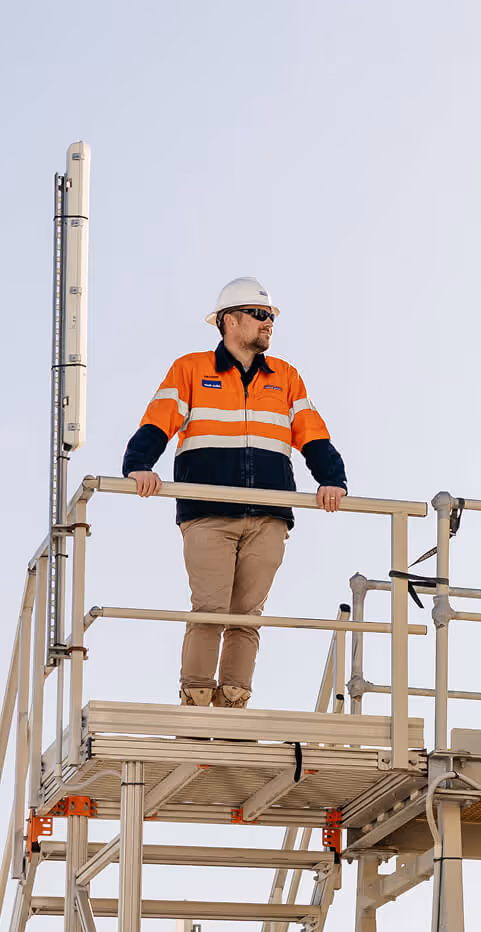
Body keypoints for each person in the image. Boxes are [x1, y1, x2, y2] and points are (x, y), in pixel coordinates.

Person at [121, 277, 349, 709]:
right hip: (208, 513)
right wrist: (138, 466)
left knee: (247, 619)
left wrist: (332, 478)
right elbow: (158, 421)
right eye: (261, 315)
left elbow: (312, 434)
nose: (269, 324)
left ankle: (231, 714)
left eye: (271, 317)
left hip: (269, 514)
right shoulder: (191, 369)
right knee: (209, 610)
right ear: (230, 321)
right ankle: (194, 711)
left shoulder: (286, 377)